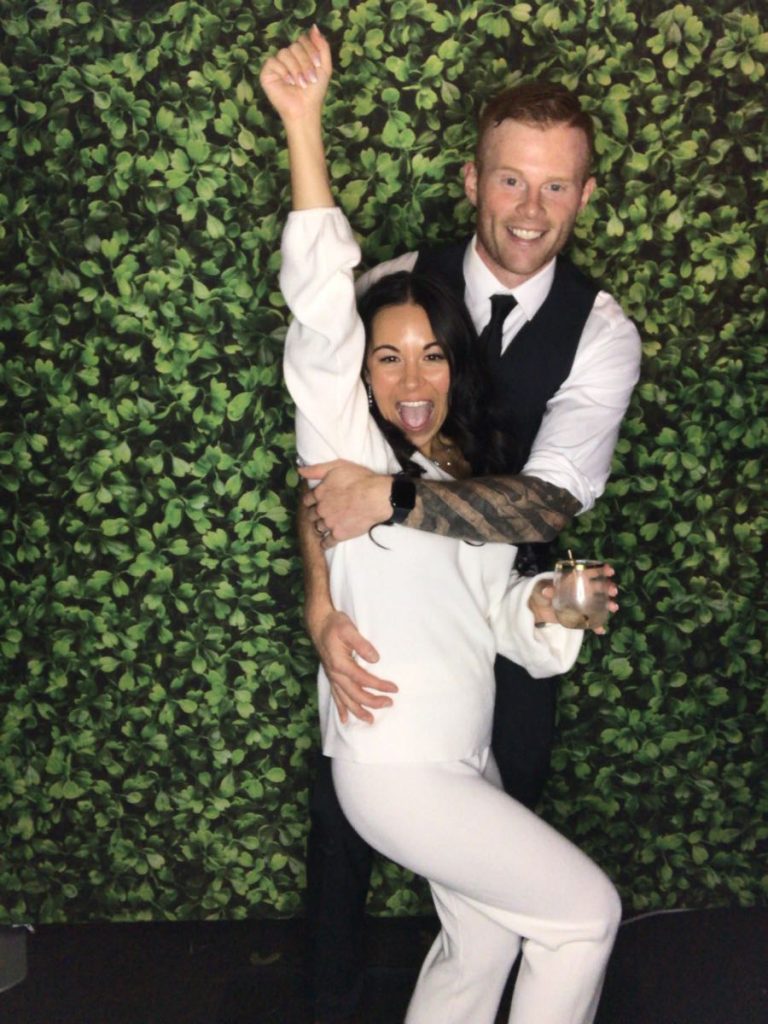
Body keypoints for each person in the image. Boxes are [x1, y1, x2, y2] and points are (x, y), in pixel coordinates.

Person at [261, 26, 622, 1024]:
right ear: (475, 180)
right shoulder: (348, 438)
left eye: (431, 358)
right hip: (399, 766)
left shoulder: (461, 460)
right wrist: (303, 123)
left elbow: (512, 607)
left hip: (467, 754)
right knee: (587, 913)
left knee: (488, 932)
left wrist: (552, 601)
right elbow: (322, 299)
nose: (411, 378)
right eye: (388, 360)